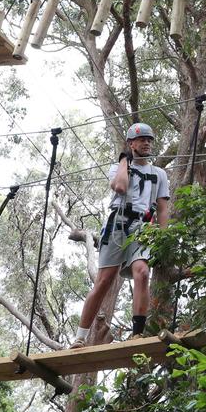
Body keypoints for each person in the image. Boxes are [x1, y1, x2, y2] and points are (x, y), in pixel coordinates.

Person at [72, 122, 171, 347]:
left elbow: (163, 208)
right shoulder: (118, 168)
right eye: (141, 139)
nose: (146, 143)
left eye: (149, 139)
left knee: (142, 271)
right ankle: (80, 337)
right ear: (131, 143)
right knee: (104, 281)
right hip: (118, 224)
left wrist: (165, 238)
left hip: (144, 227)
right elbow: (120, 188)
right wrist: (124, 160)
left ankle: (137, 332)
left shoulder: (159, 174)